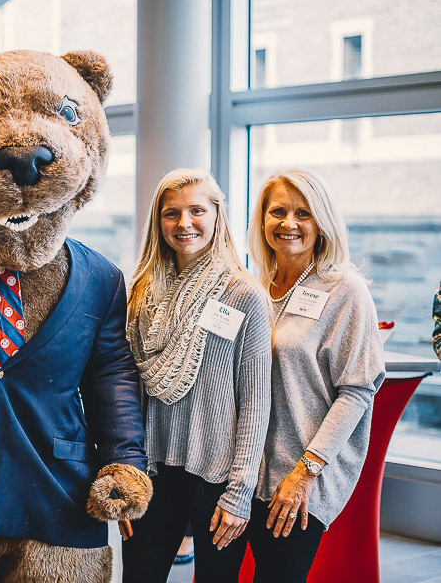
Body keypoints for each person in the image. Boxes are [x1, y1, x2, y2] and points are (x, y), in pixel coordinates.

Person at [120, 168, 272, 583]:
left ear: (217, 216)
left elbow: (256, 403)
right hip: (150, 471)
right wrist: (124, 470)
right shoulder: (140, 292)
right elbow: (127, 390)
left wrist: (239, 492)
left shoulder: (245, 295)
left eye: (197, 211)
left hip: (217, 476)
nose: (184, 224)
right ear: (158, 221)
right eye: (172, 213)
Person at [247, 168, 385, 582]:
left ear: (321, 221)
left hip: (301, 474)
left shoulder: (345, 290)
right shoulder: (258, 286)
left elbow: (358, 391)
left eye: (302, 213)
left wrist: (305, 472)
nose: (288, 224)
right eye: (278, 212)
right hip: (249, 472)